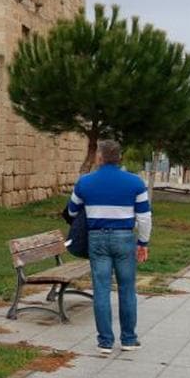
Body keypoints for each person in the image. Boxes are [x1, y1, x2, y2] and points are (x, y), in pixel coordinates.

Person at [67, 139, 151, 355]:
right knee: (127, 288)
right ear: (119, 157)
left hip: (97, 239)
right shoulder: (135, 182)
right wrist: (142, 242)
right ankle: (129, 339)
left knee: (101, 289)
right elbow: (144, 217)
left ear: (100, 157)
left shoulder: (85, 182)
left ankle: (105, 342)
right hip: (124, 239)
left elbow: (72, 211)